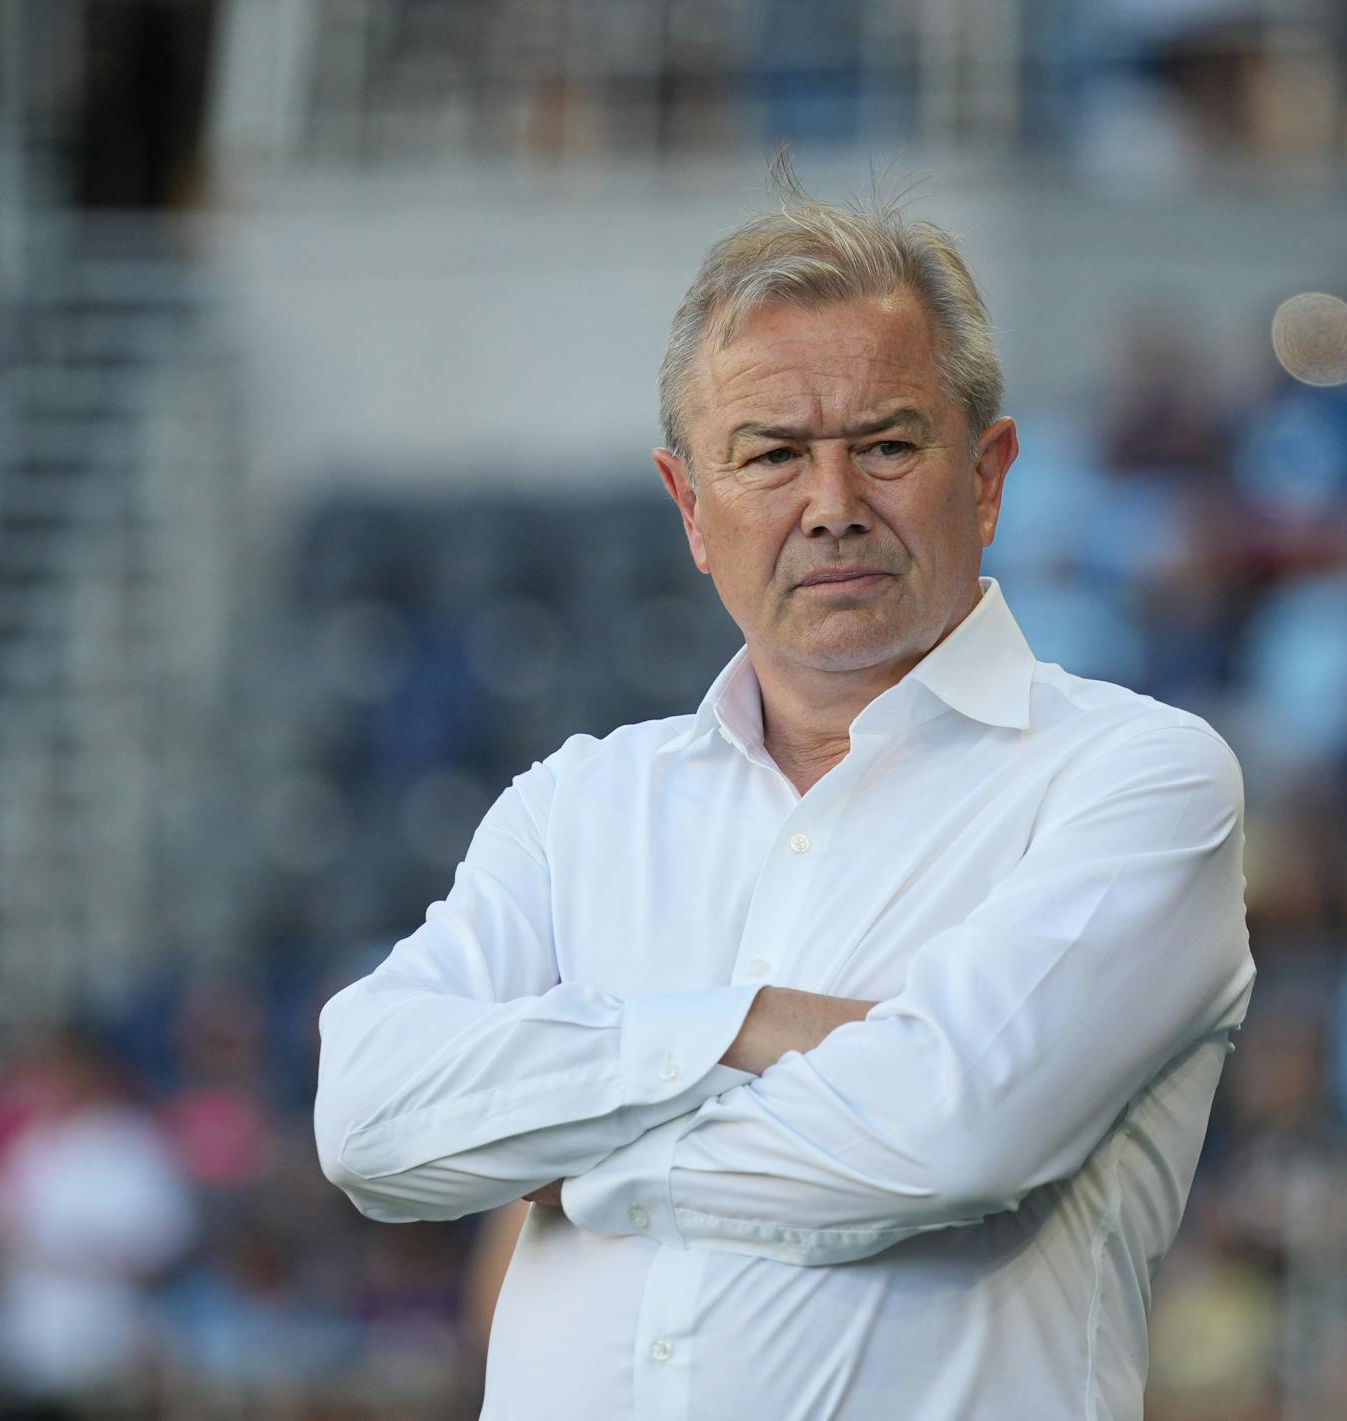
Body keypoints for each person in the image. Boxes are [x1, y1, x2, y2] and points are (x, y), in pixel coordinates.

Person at [313, 150, 1257, 1420]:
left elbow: (943, 1133)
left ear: (987, 475)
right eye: (769, 455)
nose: (831, 504)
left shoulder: (1133, 779)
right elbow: (369, 1115)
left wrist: (570, 1154)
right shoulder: (577, 802)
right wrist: (748, 1027)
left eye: (887, 444)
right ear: (688, 506)